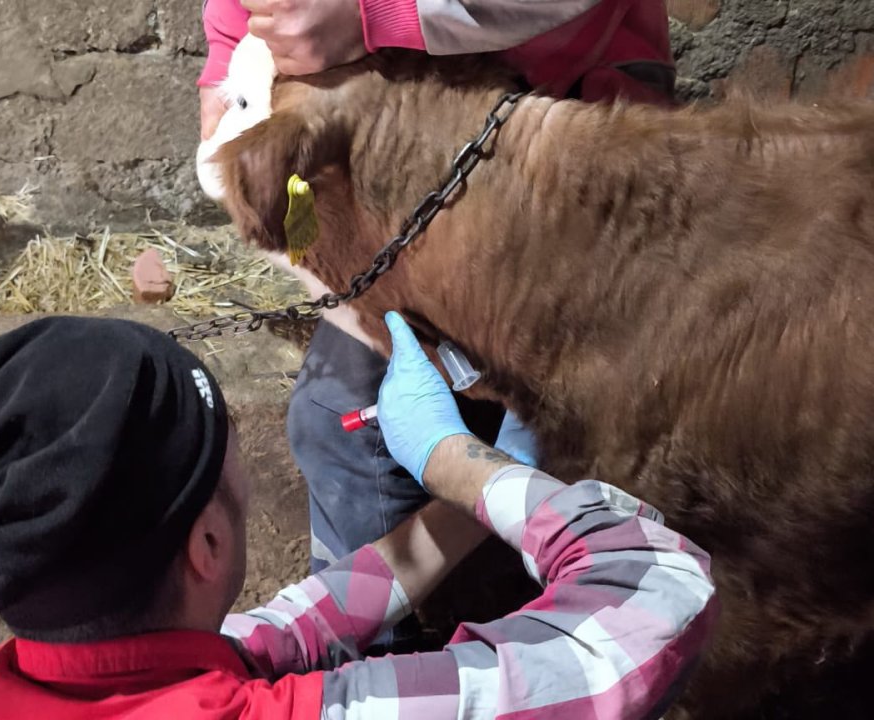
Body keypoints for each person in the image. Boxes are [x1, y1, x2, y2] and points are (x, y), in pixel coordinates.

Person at [0, 314, 717, 719]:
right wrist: (463, 464)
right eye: (228, 454)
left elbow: (281, 631)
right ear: (209, 544)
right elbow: (660, 595)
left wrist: (466, 507)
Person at [196, 0, 680, 651]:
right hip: (392, 147)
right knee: (337, 421)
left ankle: (571, 618)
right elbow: (245, 31)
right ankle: (392, 655)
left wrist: (377, 16)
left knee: (590, 420)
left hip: (565, 115)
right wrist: (235, 60)